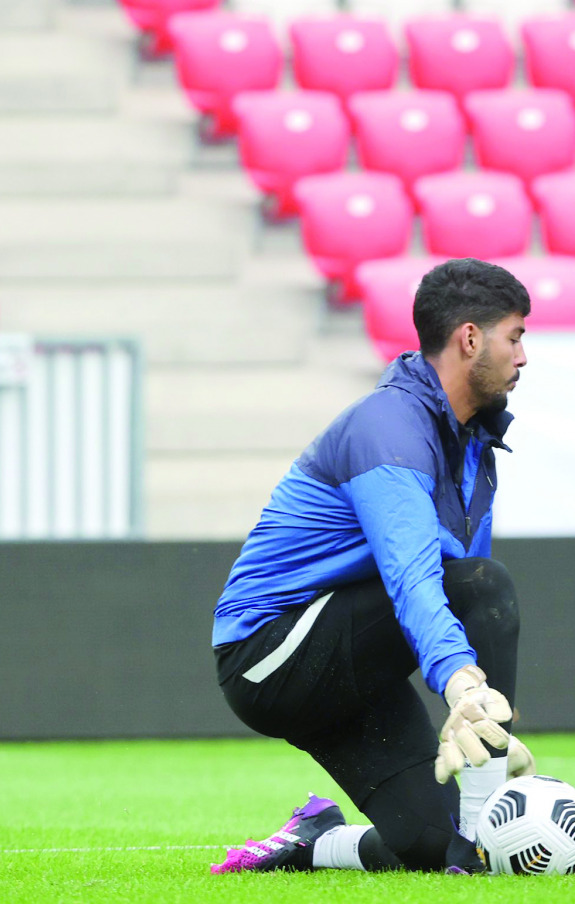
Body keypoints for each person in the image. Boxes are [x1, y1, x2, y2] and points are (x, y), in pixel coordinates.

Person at [209, 258, 534, 876]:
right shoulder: (388, 427)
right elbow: (418, 582)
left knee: (432, 845)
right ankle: (492, 817)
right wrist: (464, 684)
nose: (523, 356)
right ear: (470, 338)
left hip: (344, 663)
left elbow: (455, 587)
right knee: (485, 586)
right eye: (515, 336)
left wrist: (476, 690)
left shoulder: (473, 441)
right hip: (269, 654)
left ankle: (312, 841)